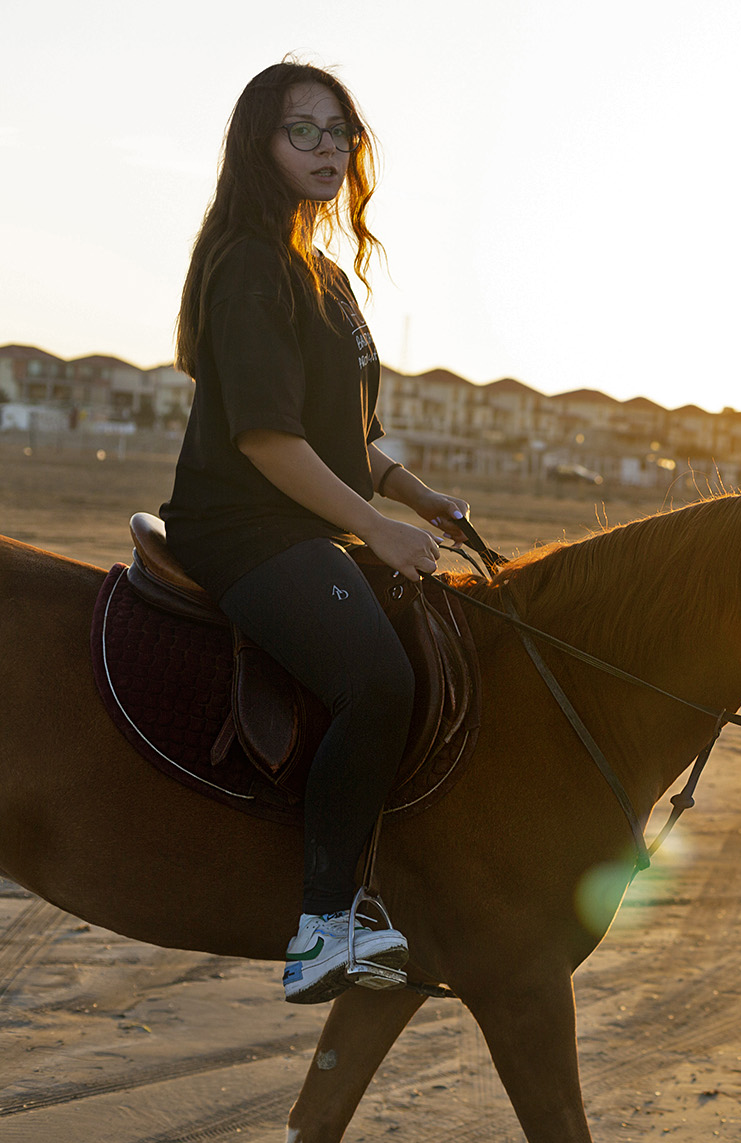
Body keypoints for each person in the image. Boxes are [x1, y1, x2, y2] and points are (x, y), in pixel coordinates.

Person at [160, 61, 468, 1004]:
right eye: (305, 131)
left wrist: (424, 503)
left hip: (306, 519)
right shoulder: (251, 261)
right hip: (241, 524)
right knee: (379, 680)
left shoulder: (324, 274)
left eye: (341, 132)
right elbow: (266, 438)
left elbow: (349, 439)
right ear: (262, 144)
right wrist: (375, 530)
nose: (329, 148)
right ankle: (324, 925)